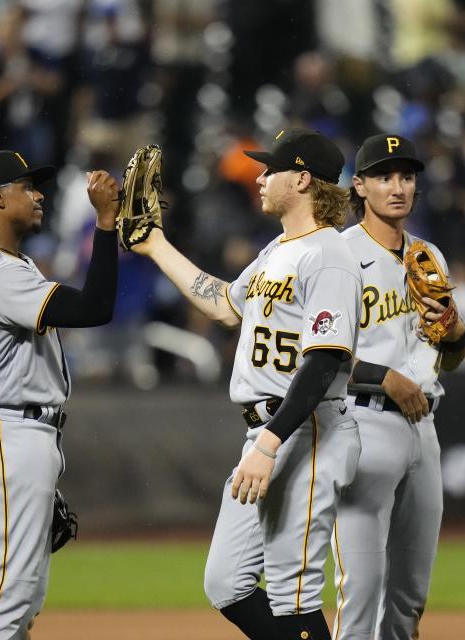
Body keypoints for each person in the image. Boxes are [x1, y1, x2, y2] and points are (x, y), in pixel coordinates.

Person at [130, 128, 361, 640]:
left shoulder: (329, 256)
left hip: (305, 428)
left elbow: (323, 362)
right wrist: (157, 245)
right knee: (227, 582)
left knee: (291, 589)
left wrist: (270, 443)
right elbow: (222, 303)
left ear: (301, 179)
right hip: (270, 431)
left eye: (270, 169)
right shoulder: (279, 248)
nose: (259, 177)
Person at [0, 150, 120, 638]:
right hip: (4, 430)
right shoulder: (0, 274)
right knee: (6, 596)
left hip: (5, 427)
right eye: (26, 187)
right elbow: (95, 307)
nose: (39, 194)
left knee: (20, 598)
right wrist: (105, 224)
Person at [332, 134, 465, 638]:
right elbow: (315, 356)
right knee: (362, 588)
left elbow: (452, 357)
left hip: (424, 427)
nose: (398, 187)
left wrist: (456, 331)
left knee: (410, 596)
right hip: (362, 421)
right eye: (385, 176)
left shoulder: (429, 255)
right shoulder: (338, 253)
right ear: (360, 186)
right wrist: (384, 376)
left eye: (407, 176)